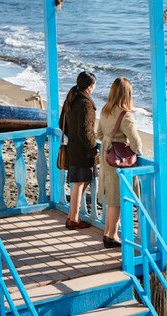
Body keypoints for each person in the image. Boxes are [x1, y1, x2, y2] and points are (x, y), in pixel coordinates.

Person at [96, 77, 144, 248]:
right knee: (116, 198)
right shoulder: (125, 115)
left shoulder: (105, 109)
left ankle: (108, 232)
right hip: (119, 160)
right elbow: (136, 143)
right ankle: (112, 235)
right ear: (127, 94)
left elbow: (99, 134)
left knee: (111, 196)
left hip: (106, 155)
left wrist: (109, 141)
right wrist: (133, 150)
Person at [59, 71, 97, 230]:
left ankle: (71, 216)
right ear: (89, 87)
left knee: (78, 182)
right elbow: (86, 131)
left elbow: (61, 123)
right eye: (94, 85)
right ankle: (73, 219)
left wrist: (72, 136)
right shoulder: (85, 103)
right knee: (80, 183)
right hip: (82, 151)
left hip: (73, 147)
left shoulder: (71, 99)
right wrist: (93, 147)